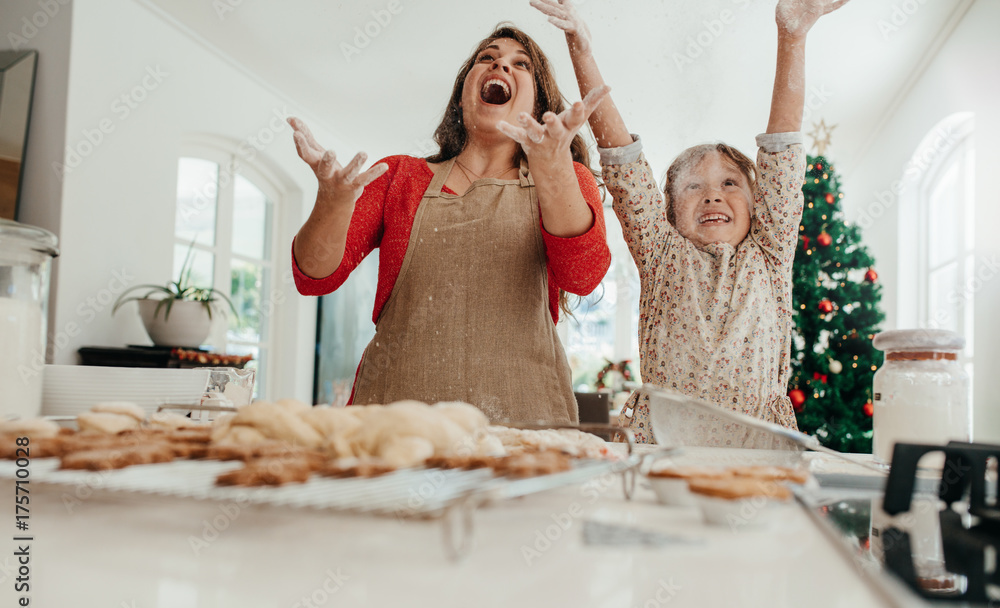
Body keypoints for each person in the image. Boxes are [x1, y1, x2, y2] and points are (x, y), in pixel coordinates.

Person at [531, 0, 850, 442]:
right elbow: (623, 164)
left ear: (760, 206)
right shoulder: (662, 253)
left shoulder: (770, 253)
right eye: (694, 187)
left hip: (757, 453)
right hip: (660, 449)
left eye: (730, 184)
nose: (713, 194)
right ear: (669, 213)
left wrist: (791, 37)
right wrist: (581, 49)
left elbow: (783, 154)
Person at [289, 24, 612, 423]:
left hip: (525, 427)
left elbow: (583, 275)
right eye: (487, 58)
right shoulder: (398, 177)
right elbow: (314, 276)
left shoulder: (566, 179)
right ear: (462, 96)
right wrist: (332, 203)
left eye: (520, 64)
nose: (500, 65)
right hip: (396, 427)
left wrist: (554, 168)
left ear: (537, 103)